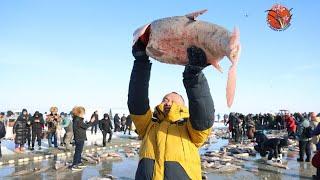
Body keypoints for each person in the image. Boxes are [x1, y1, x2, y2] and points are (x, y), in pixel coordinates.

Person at [128, 40, 215, 179]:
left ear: (184, 107)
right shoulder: (148, 125)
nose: (169, 103)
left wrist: (193, 76)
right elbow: (137, 102)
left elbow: (202, 115)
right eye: (165, 99)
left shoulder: (190, 130)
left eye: (174, 101)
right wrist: (141, 62)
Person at [70, 106, 94, 171]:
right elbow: (86, 126)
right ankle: (74, 164)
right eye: (83, 113)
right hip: (79, 138)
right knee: (78, 151)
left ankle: (79, 162)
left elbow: (83, 127)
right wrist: (91, 121)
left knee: (79, 151)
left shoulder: (77, 119)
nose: (83, 114)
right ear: (79, 113)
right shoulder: (78, 120)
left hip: (79, 137)